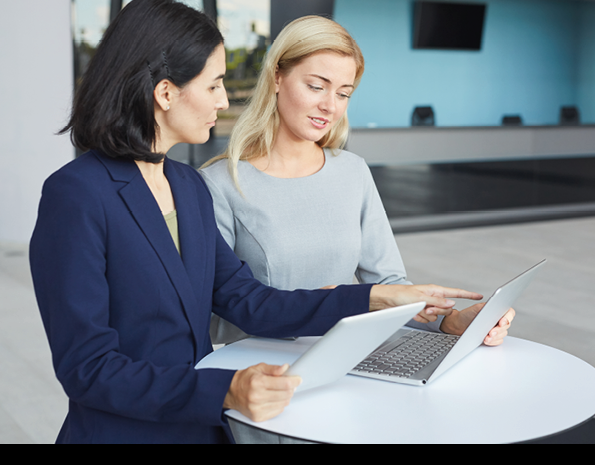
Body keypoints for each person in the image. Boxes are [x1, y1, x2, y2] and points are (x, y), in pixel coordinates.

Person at [30, 0, 469, 445]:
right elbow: (87, 368)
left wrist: (371, 297)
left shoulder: (186, 185)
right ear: (165, 92)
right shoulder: (77, 194)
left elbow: (248, 301)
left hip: (204, 429)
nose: (224, 100)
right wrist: (225, 389)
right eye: (215, 84)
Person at [201, 16, 514, 348]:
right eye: (316, 86)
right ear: (277, 76)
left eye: (343, 93)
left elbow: (388, 286)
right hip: (256, 366)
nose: (330, 106)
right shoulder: (219, 183)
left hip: (341, 357)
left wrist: (449, 322)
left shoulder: (352, 171)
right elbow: (216, 311)